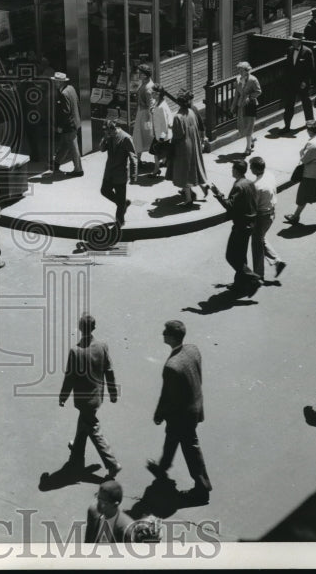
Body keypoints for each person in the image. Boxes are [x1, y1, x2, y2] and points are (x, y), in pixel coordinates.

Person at [147, 319, 212, 504]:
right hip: (195, 405)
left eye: (165, 332)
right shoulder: (193, 349)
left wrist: (159, 414)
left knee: (191, 449)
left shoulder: (172, 367)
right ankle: (162, 467)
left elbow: (168, 396)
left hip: (183, 415)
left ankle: (202, 488)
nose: (162, 334)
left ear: (172, 337)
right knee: (172, 438)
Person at [59, 313, 121, 479]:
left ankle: (112, 464)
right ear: (94, 328)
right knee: (85, 421)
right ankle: (78, 449)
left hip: (83, 400)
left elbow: (69, 378)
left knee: (93, 428)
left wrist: (63, 397)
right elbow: (109, 371)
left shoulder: (75, 351)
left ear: (79, 328)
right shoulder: (102, 346)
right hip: (97, 397)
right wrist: (113, 393)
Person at [210, 160, 261, 290]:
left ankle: (252, 276)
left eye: (233, 169)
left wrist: (218, 194)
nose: (231, 171)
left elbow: (229, 206)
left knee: (231, 256)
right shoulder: (250, 183)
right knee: (241, 256)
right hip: (251, 223)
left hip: (241, 225)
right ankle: (240, 284)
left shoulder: (239, 186)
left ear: (236, 171)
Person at [285, 120, 316, 228]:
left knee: (303, 196)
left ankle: (295, 217)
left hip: (311, 175)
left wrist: (302, 153)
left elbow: (304, 159)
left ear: (310, 131)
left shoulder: (312, 143)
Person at [249, 156, 286, 281]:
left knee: (256, 244)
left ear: (254, 169)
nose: (249, 168)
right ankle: (276, 261)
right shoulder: (269, 175)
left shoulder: (256, 186)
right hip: (271, 213)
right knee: (260, 239)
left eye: (251, 166)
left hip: (261, 216)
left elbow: (253, 206)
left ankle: (258, 274)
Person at [170, 90, 209, 205]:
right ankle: (203, 187)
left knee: (183, 172)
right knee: (193, 168)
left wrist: (171, 128)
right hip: (193, 144)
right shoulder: (191, 112)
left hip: (183, 146)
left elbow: (178, 135)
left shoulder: (178, 117)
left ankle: (188, 199)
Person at [99, 119, 138, 227]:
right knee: (104, 191)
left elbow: (133, 157)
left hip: (120, 174)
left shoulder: (125, 138)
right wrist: (105, 139)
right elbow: (102, 149)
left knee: (120, 203)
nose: (107, 134)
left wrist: (133, 175)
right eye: (106, 133)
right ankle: (123, 204)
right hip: (109, 172)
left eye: (108, 132)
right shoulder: (109, 137)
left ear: (113, 129)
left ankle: (119, 222)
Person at [280, 33, 315, 133]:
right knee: (289, 105)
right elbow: (287, 66)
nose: (293, 42)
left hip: (302, 83)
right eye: (292, 40)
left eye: (295, 40)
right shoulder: (290, 50)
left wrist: (305, 81)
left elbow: (311, 69)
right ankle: (287, 126)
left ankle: (310, 124)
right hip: (291, 83)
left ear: (300, 41)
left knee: (306, 103)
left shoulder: (307, 52)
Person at [52, 72, 83, 177]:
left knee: (73, 147)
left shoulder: (64, 93)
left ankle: (78, 169)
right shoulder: (71, 88)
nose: (54, 83)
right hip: (74, 122)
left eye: (56, 81)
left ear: (60, 82)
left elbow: (65, 112)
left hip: (69, 125)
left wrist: (60, 126)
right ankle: (56, 163)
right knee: (65, 144)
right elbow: (77, 103)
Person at [84, 480, 134, 544]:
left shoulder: (127, 529)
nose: (98, 503)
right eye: (98, 497)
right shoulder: (93, 511)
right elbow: (88, 539)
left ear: (115, 504)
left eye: (103, 501)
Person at [231, 61, 262, 155]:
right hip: (241, 105)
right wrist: (233, 106)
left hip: (250, 105)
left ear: (246, 70)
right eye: (239, 70)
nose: (239, 72)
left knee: (249, 125)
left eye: (241, 70)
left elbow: (258, 91)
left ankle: (248, 148)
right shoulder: (238, 79)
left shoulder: (253, 80)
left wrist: (250, 96)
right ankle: (251, 139)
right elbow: (236, 94)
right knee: (243, 126)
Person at [132, 64, 156, 169]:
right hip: (142, 113)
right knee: (141, 137)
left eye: (140, 73)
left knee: (142, 137)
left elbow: (151, 104)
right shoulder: (146, 83)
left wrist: (150, 119)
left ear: (145, 75)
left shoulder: (148, 87)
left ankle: (138, 161)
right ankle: (138, 160)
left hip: (145, 115)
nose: (138, 75)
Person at [150, 86, 174, 178]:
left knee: (156, 153)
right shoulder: (158, 103)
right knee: (158, 153)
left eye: (153, 92)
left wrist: (161, 139)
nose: (151, 94)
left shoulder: (162, 107)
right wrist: (152, 111)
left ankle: (157, 170)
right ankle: (161, 166)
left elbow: (164, 125)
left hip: (162, 136)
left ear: (158, 94)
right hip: (159, 134)